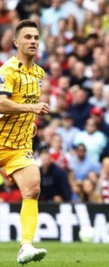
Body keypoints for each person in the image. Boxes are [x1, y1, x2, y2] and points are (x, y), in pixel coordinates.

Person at [0, 20, 49, 264]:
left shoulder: (39, 73)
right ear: (16, 42)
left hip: (18, 146)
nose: (33, 41)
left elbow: (20, 107)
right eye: (27, 37)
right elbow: (0, 103)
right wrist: (32, 108)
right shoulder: (7, 70)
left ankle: (25, 246)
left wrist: (29, 121)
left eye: (36, 37)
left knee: (32, 188)